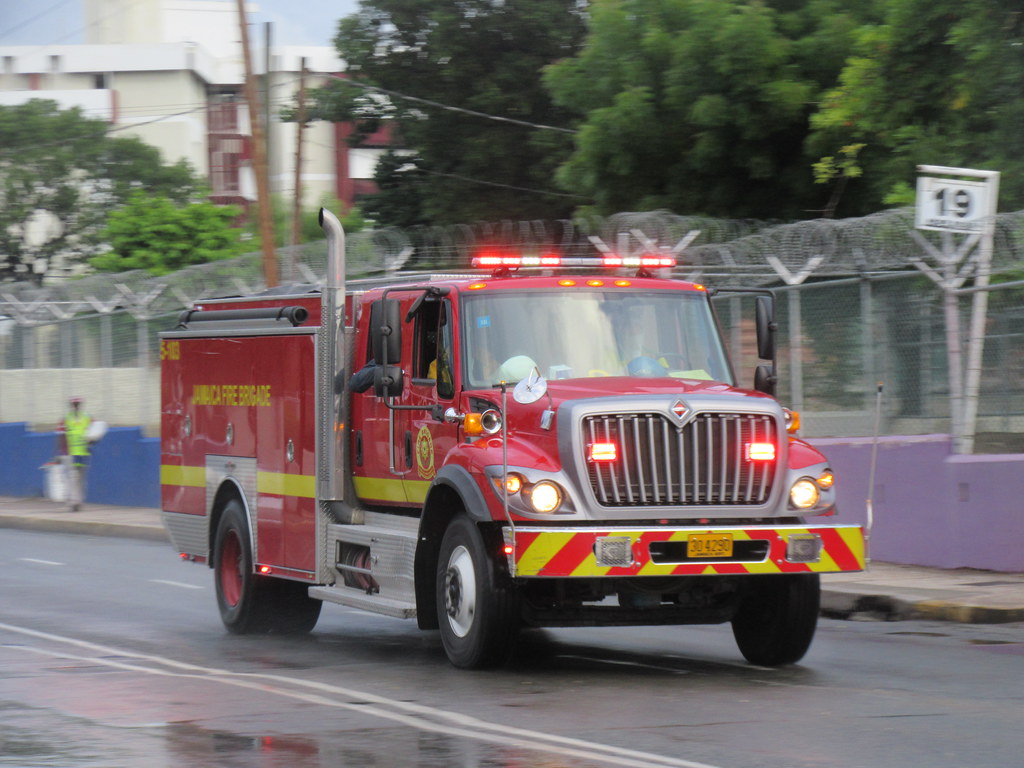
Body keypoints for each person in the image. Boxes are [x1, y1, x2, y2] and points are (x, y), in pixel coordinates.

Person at [60, 396, 92, 512]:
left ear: (80, 405)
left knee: (82, 478)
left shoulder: (87, 417)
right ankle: (74, 502)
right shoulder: (67, 418)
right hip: (72, 453)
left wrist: (91, 444)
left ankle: (80, 501)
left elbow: (93, 432)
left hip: (84, 452)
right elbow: (63, 435)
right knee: (74, 477)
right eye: (74, 404)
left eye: (78, 404)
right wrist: (63, 451)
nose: (76, 406)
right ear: (71, 406)